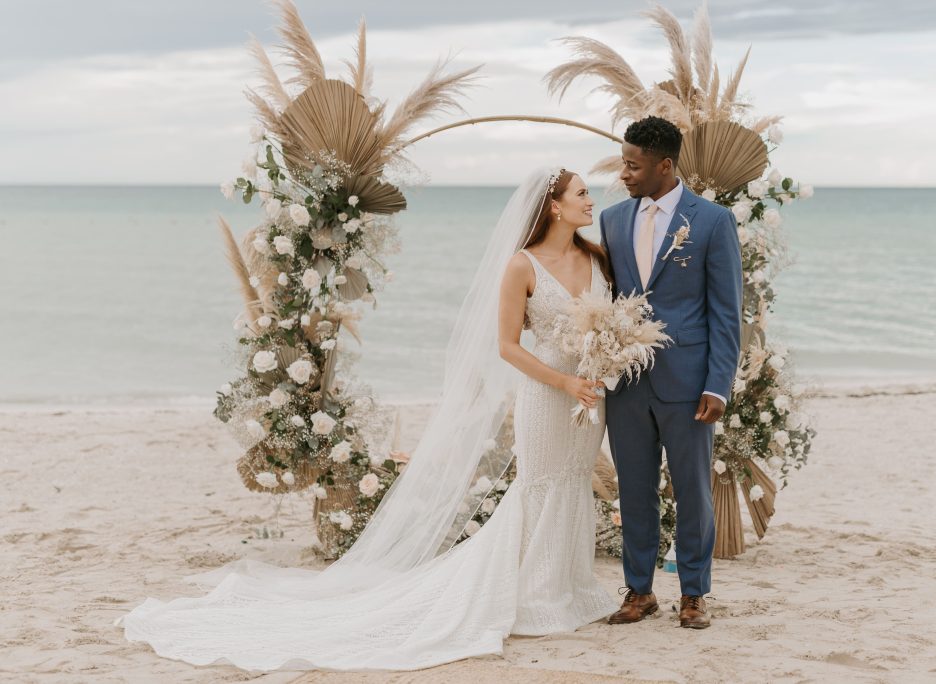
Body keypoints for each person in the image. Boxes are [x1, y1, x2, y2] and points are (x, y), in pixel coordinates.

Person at [116, 167, 619, 672]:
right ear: (554, 205)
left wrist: (604, 365)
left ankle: (570, 585)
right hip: (549, 393)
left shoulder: (596, 258)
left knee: (574, 481)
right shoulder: (521, 265)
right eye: (580, 194)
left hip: (591, 394)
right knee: (540, 484)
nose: (589, 200)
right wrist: (564, 383)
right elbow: (508, 347)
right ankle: (536, 592)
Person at [599, 116, 742, 629]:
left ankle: (694, 594)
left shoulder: (712, 221)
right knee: (633, 490)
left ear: (665, 164)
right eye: (623, 162)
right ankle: (639, 592)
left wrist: (717, 385)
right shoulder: (613, 219)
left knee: (692, 491)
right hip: (628, 382)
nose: (624, 174)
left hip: (689, 382)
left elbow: (727, 311)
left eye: (633, 166)